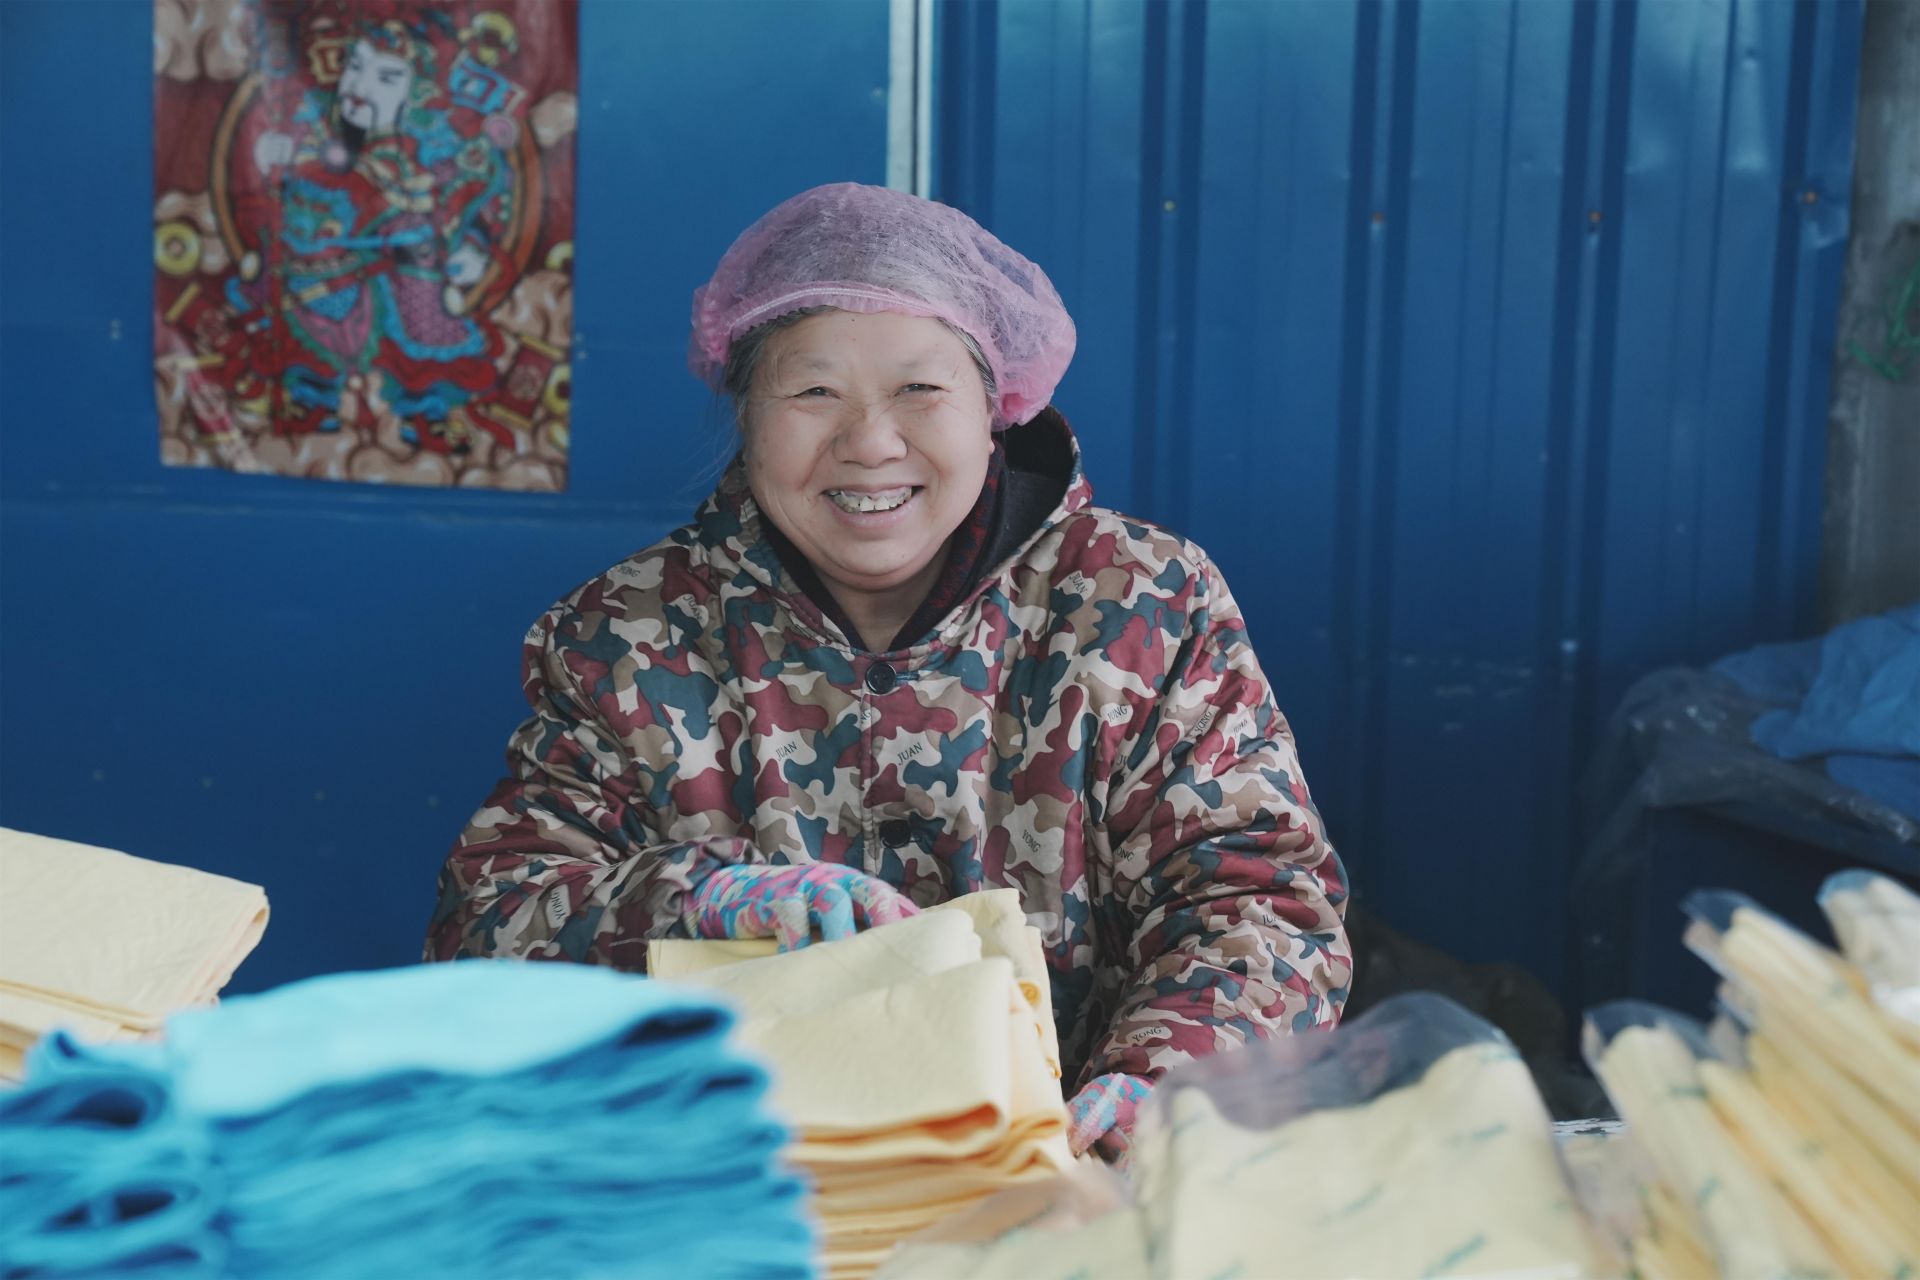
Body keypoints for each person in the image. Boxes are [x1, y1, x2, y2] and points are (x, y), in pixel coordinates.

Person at [425, 183, 1351, 1162]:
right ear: (746, 413)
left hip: (1076, 1190)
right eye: (813, 391)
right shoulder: (629, 633)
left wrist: (1167, 1084)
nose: (870, 441)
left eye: (920, 390)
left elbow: (1260, 901)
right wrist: (698, 902)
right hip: (734, 1190)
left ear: (996, 410)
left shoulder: (1139, 604)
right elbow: (487, 927)